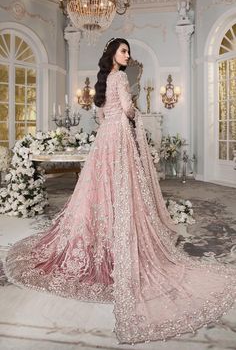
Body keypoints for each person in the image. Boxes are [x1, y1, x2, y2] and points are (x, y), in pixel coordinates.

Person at [4, 38, 236, 345]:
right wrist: (135, 114)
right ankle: (117, 231)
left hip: (104, 140)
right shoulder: (120, 77)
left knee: (99, 189)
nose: (128, 55)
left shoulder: (103, 82)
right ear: (113, 54)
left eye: (129, 51)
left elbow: (101, 116)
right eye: (124, 50)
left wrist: (118, 117)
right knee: (122, 188)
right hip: (119, 140)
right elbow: (127, 108)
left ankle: (102, 231)